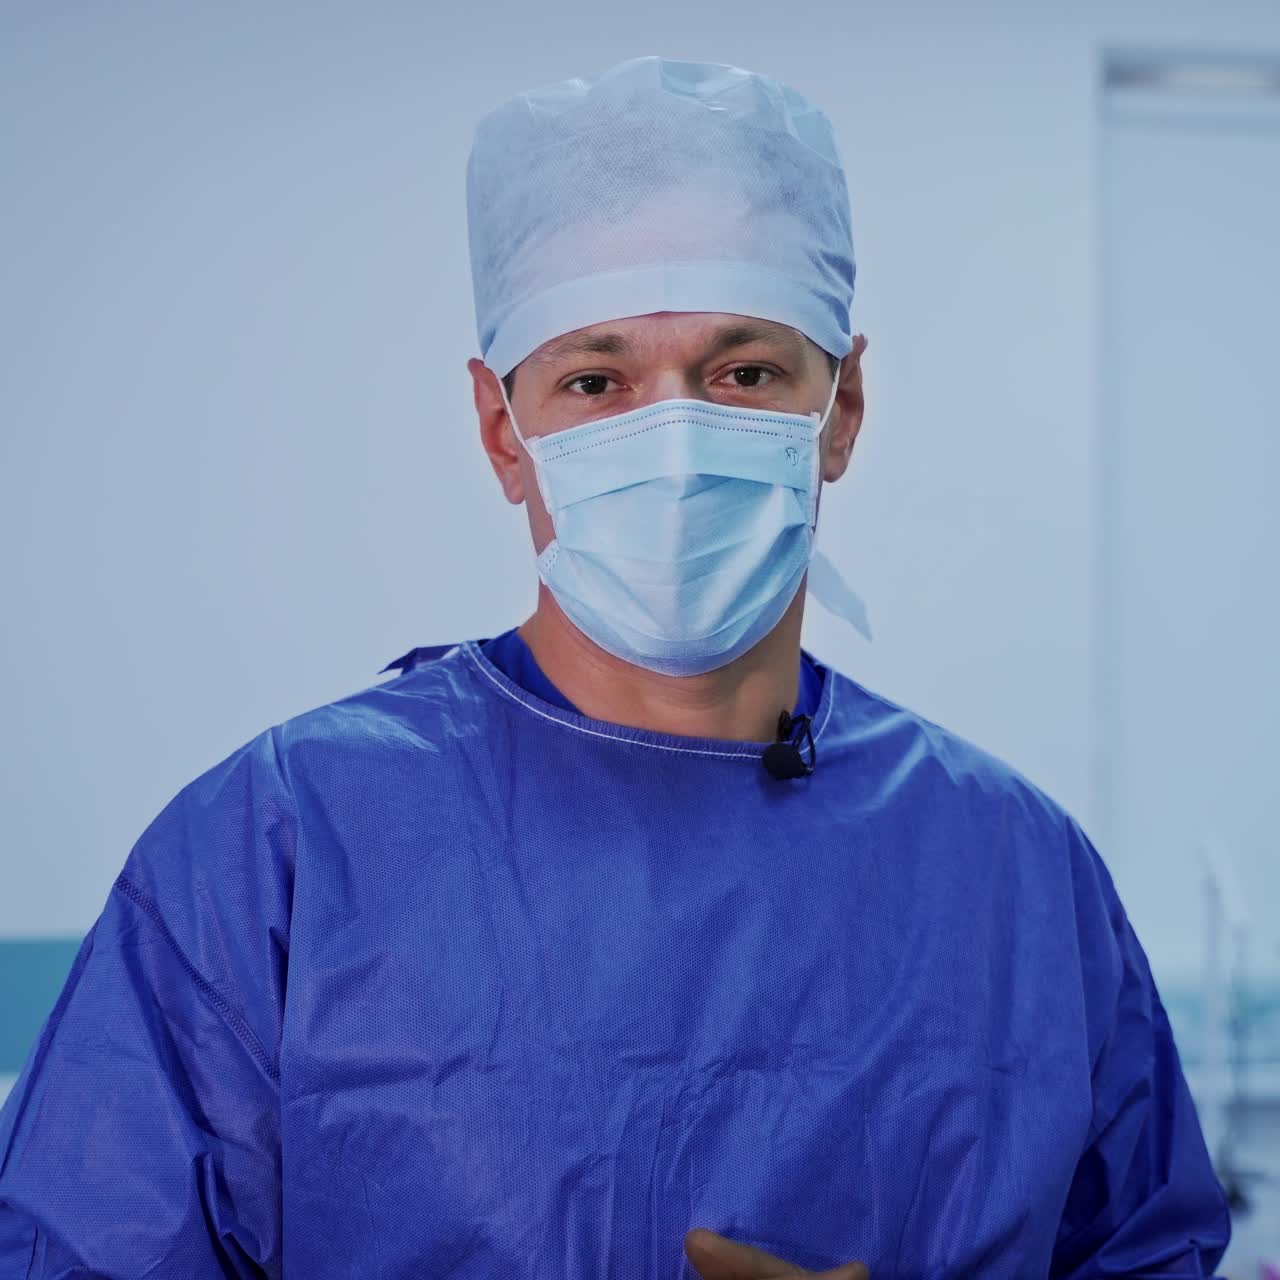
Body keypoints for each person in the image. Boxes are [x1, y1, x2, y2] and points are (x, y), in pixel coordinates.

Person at [0, 55, 1231, 1279]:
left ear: (841, 407)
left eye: (743, 372)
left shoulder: (1011, 872)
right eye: (597, 381)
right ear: (504, 430)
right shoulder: (279, 848)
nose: (678, 437)